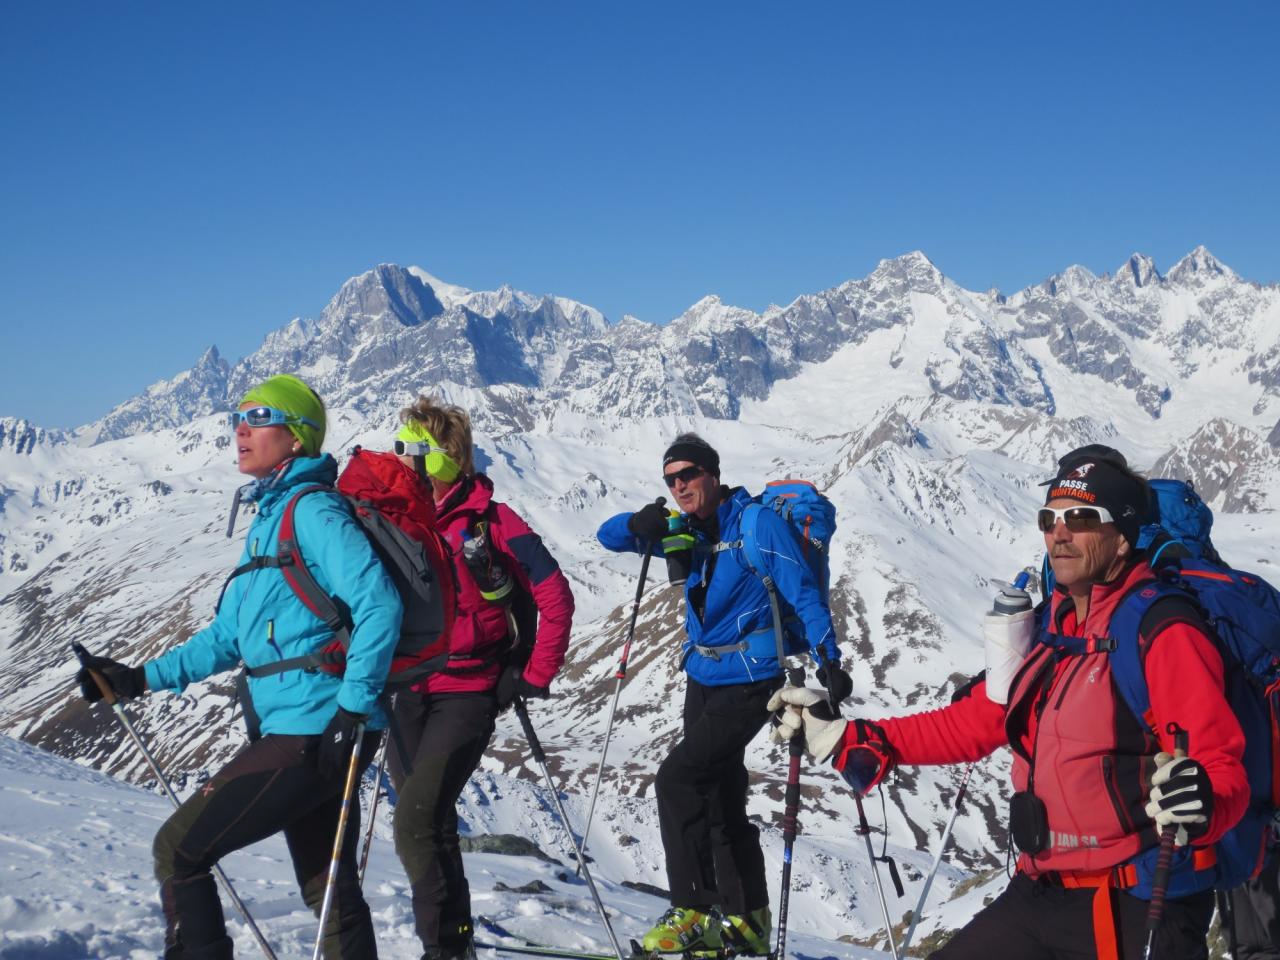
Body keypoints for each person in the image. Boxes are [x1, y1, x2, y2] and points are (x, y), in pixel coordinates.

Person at [770, 445, 1249, 960]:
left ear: (1122, 537)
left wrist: (1201, 803)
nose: (1060, 533)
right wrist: (856, 738)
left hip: (1134, 904)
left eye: (1082, 518)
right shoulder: (1050, 628)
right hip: (1039, 892)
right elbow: (978, 721)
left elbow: (1221, 766)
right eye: (1050, 519)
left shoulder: (1163, 631)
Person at [75, 374, 403, 960]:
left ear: (297, 438)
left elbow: (379, 604)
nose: (241, 428)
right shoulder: (269, 519)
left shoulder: (312, 512)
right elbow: (231, 638)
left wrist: (352, 710)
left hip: (315, 726)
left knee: (180, 850)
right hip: (314, 727)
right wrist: (136, 678)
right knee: (326, 888)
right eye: (237, 417)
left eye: (260, 416)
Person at [596, 433, 850, 956]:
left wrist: (831, 659)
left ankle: (694, 909)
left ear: (712, 473)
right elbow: (606, 536)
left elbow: (802, 592)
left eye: (687, 474)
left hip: (753, 678)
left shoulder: (757, 524)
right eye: (670, 479)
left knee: (679, 779)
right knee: (720, 795)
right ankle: (747, 918)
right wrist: (636, 524)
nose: (679, 486)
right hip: (703, 676)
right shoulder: (682, 529)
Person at [388, 395, 574, 960]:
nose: (400, 456)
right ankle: (454, 944)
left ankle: (443, 949)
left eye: (411, 447)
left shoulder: (495, 521)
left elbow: (553, 592)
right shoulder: (400, 517)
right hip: (408, 689)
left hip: (468, 690)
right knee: (430, 824)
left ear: (443, 457)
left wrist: (535, 674)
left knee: (417, 824)